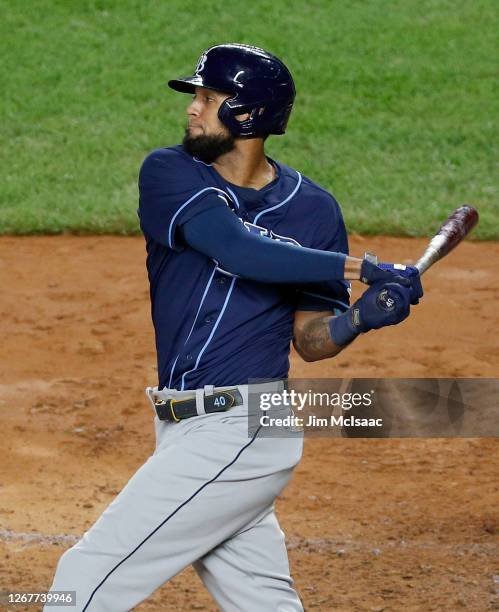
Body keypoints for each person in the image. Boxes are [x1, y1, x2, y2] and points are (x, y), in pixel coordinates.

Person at [46, 43, 422, 611]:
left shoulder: (315, 211)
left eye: (207, 97)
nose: (192, 109)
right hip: (185, 426)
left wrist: (359, 320)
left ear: (246, 115)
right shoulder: (170, 172)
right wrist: (365, 269)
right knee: (262, 601)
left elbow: (311, 339)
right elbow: (237, 248)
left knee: (84, 581)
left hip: (243, 428)